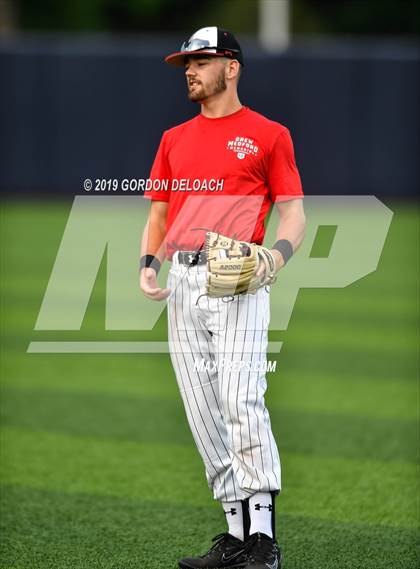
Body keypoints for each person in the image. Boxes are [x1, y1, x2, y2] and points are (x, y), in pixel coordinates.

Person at [140, 26, 306, 569]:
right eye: (186, 62)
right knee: (204, 411)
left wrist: (274, 258)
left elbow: (293, 212)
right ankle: (234, 537)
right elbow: (160, 213)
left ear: (231, 67)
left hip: (236, 278)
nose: (189, 69)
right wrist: (150, 263)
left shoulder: (268, 134)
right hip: (184, 284)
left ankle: (264, 540)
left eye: (201, 60)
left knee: (241, 401)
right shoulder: (172, 139)